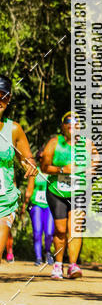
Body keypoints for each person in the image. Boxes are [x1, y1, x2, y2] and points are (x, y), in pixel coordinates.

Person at [40, 112, 86, 280]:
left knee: (75, 228)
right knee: (60, 230)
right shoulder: (54, 143)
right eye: (68, 124)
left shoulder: (86, 144)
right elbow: (44, 166)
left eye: (75, 124)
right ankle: (58, 264)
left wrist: (90, 169)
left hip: (78, 191)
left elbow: (95, 162)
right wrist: (62, 170)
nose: (72, 127)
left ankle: (73, 265)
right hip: (57, 191)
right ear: (63, 127)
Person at [0, 75, 37, 263]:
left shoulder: (14, 129)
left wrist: (29, 164)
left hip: (4, 199)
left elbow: (27, 157)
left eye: (3, 96)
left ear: (9, 98)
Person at [22, 150, 54, 267]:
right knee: (37, 231)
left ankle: (48, 251)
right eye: (41, 158)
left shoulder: (52, 172)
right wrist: (25, 204)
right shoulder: (35, 171)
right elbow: (29, 189)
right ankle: (38, 257)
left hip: (50, 205)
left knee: (50, 232)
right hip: (36, 205)